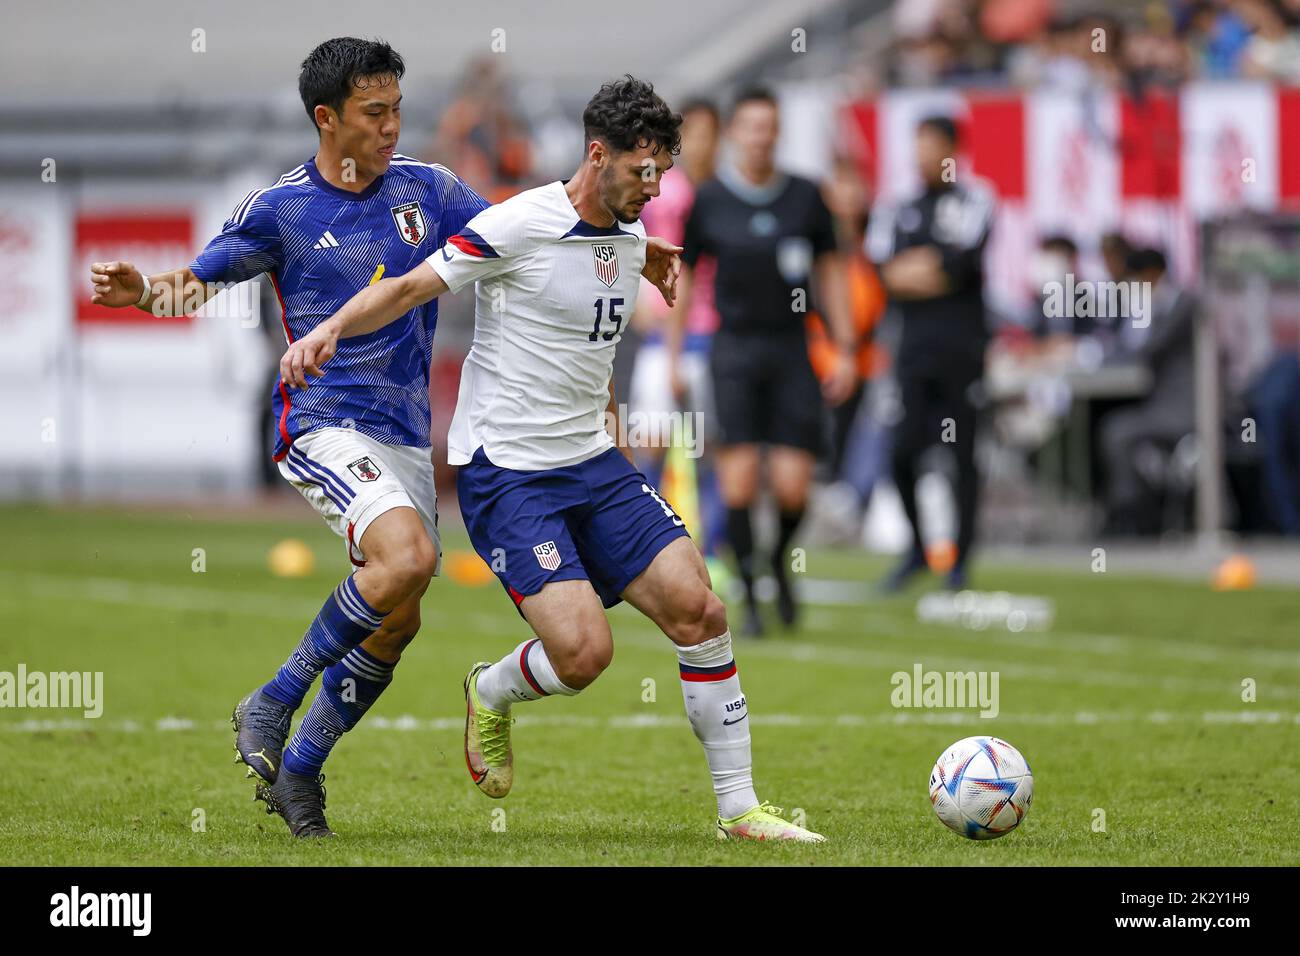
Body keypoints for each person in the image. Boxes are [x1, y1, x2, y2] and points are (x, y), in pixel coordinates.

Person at [280, 76, 825, 843]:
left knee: (700, 609)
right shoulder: (520, 223)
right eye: (643, 170)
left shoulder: (632, 236)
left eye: (662, 172)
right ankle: (492, 691)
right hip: (508, 473)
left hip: (595, 463)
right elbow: (406, 288)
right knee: (584, 654)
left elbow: (593, 353)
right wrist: (326, 331)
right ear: (597, 155)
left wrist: (615, 432)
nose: (654, 186)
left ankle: (739, 810)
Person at [89, 38, 489, 837]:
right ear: (326, 117)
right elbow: (193, 287)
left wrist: (622, 243)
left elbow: (520, 237)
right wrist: (144, 295)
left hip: (405, 435)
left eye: (397, 109)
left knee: (400, 614)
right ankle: (272, 701)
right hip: (321, 421)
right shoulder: (281, 209)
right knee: (407, 560)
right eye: (373, 113)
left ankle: (300, 769)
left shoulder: (431, 188)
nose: (390, 126)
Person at [672, 87, 857, 636]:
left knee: (795, 486)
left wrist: (844, 345)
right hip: (734, 349)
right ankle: (751, 591)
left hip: (792, 348)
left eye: (768, 127)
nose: (760, 137)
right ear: (736, 134)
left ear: (777, 133)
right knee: (739, 484)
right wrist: (678, 353)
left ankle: (779, 560)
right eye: (750, 126)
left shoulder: (805, 196)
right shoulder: (711, 201)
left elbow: (831, 271)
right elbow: (684, 277)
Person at [868, 115, 995, 592]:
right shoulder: (897, 207)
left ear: (952, 151)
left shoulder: (974, 199)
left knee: (963, 455)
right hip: (913, 350)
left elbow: (961, 265)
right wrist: (927, 269)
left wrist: (916, 270)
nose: (922, 156)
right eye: (917, 145)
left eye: (932, 146)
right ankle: (918, 548)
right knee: (901, 452)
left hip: (963, 350)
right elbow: (883, 272)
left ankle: (959, 560)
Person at [1098, 248, 1198, 535]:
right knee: (1115, 426)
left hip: (1183, 409)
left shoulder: (1182, 304)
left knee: (1117, 432)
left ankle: (1129, 515)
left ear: (1151, 275)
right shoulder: (1154, 305)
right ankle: (1134, 511)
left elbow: (1147, 349)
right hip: (1162, 403)